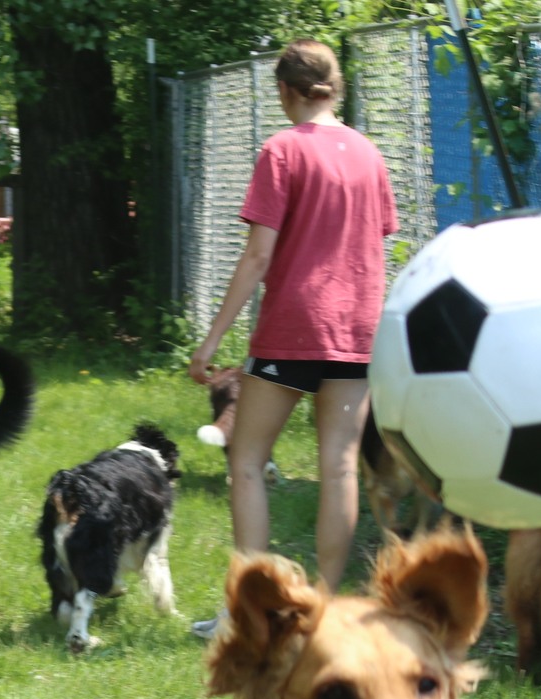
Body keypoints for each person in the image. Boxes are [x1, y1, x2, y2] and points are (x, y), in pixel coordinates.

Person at [188, 39, 397, 630]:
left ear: (284, 91)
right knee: (339, 467)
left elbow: (258, 257)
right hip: (357, 328)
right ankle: (324, 611)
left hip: (293, 326)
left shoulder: (281, 150)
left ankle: (249, 614)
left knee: (248, 461)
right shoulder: (370, 155)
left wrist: (211, 342)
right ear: (336, 88)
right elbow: (376, 246)